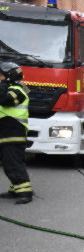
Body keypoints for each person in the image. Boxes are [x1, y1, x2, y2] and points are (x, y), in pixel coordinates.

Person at [0, 62, 32, 205]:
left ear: (8, 77)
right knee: (9, 163)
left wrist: (2, 85)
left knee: (13, 163)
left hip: (14, 132)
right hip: (6, 132)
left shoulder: (18, 90)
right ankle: (16, 188)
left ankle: (25, 192)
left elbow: (5, 100)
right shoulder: (8, 87)